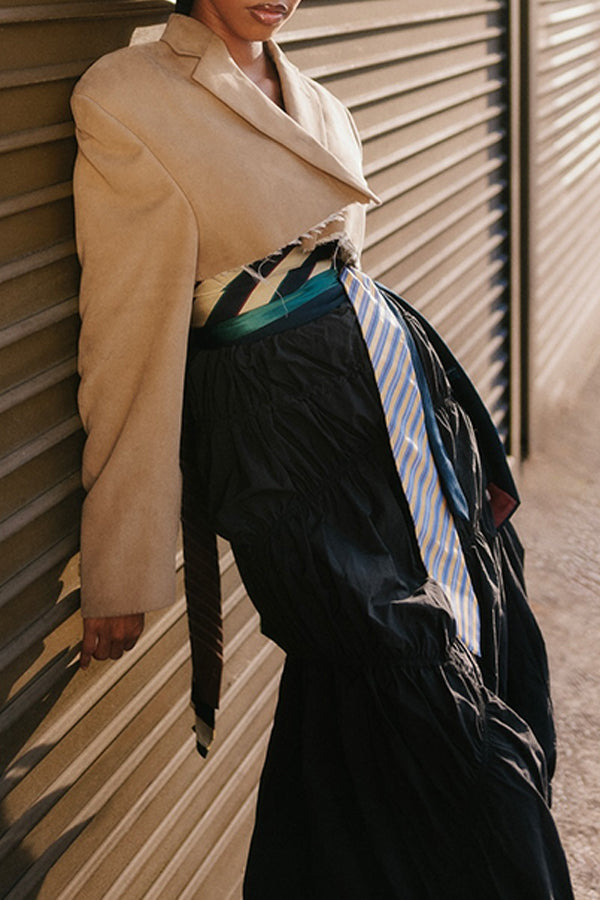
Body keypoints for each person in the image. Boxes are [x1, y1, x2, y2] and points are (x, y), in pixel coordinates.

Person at [71, 1, 574, 896]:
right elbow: (127, 336)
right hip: (283, 451)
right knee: (414, 684)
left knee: (443, 662)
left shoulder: (318, 99)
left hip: (399, 410)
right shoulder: (127, 96)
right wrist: (122, 559)